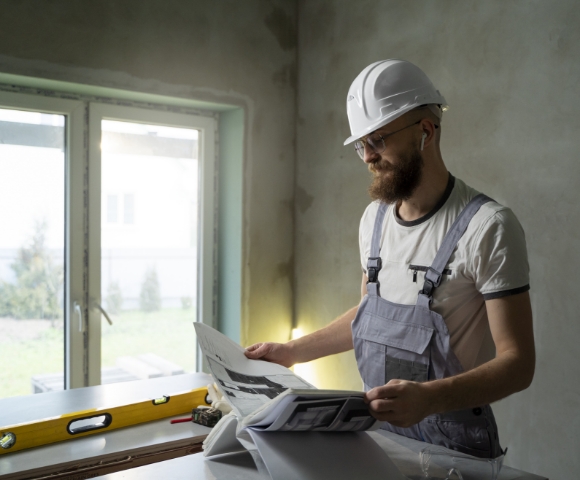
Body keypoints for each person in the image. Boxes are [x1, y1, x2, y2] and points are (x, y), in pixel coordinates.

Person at [245, 59, 535, 459]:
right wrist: (291, 352)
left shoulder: (488, 227)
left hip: (455, 452)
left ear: (426, 132)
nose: (367, 157)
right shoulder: (374, 221)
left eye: (378, 140)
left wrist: (429, 399)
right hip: (377, 438)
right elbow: (371, 314)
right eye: (361, 145)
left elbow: (518, 364)